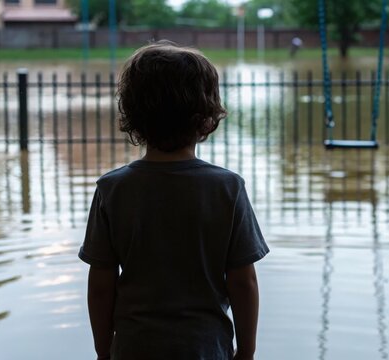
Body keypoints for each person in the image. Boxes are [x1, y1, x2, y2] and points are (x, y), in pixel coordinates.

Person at [79, 40, 269, 360]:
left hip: (133, 346)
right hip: (206, 347)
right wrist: (246, 352)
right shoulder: (227, 188)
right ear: (207, 117)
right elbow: (243, 282)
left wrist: (103, 350)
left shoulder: (112, 190)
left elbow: (100, 284)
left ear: (133, 115)